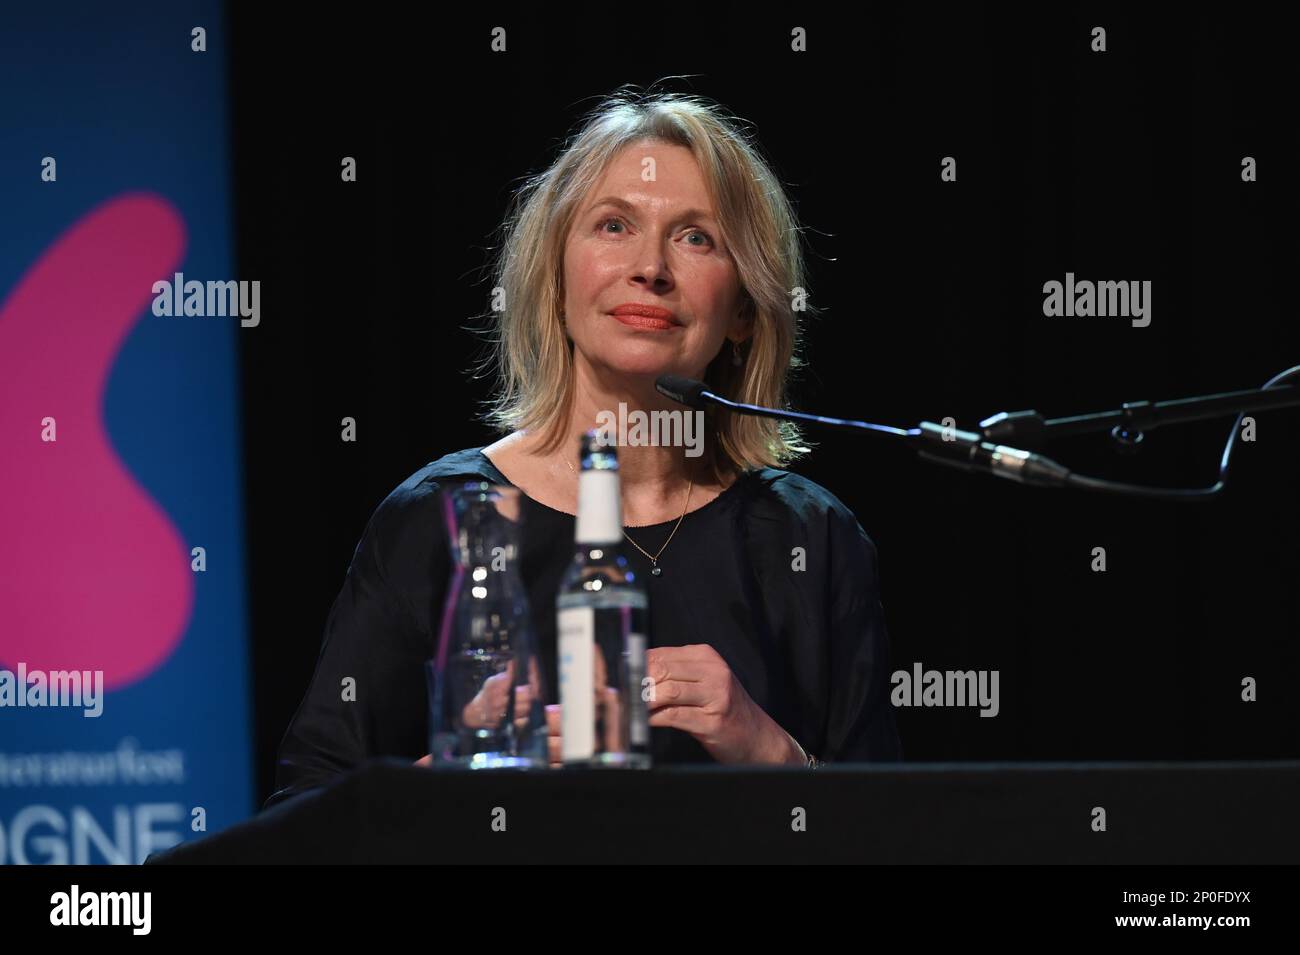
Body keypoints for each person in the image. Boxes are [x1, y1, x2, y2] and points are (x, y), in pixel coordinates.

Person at [265, 88, 901, 810]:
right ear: (555, 274)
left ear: (746, 311)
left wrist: (773, 753)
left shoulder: (811, 538)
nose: (650, 268)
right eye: (614, 224)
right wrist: (453, 787)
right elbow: (299, 816)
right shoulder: (437, 522)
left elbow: (894, 835)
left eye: (696, 237)